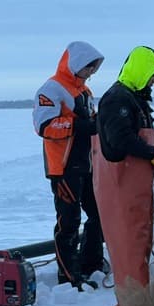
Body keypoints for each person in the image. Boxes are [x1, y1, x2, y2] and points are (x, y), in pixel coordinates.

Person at [92, 46, 154, 302]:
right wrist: (150, 154)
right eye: (153, 74)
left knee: (140, 241)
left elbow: (146, 133)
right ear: (140, 71)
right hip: (120, 186)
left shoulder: (135, 99)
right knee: (128, 246)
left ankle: (139, 299)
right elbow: (119, 141)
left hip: (136, 189)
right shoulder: (117, 99)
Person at [33, 41, 106, 288]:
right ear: (76, 64)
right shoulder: (52, 89)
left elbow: (92, 120)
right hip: (63, 167)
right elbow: (44, 126)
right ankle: (68, 274)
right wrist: (79, 126)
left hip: (86, 164)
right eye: (88, 68)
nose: (91, 73)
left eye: (94, 69)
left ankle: (91, 262)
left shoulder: (85, 92)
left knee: (99, 215)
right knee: (69, 220)